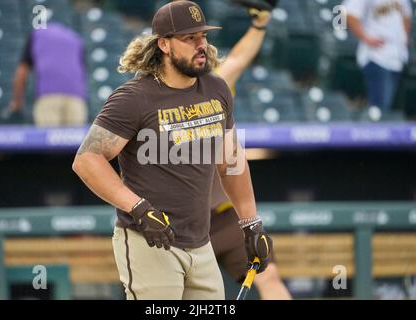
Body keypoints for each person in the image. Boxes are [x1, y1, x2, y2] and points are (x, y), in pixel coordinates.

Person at [72, 0, 273, 300]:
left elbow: (231, 160)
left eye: (203, 36)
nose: (201, 44)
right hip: (150, 243)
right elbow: (87, 160)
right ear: (164, 45)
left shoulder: (216, 89)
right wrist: (137, 208)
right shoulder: (134, 98)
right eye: (189, 38)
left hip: (201, 244)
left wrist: (250, 223)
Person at [209, 5, 292, 300]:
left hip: (226, 216)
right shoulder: (151, 102)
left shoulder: (212, 87)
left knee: (270, 279)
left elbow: (239, 59)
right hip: (181, 223)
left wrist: (259, 25)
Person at [9, 22, 88, 126]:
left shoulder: (37, 35)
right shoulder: (76, 38)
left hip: (49, 98)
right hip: (77, 100)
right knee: (76, 141)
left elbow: (21, 73)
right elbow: (82, 71)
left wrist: (17, 103)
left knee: (47, 140)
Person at [344, 0, 412, 115]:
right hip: (376, 56)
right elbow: (348, 13)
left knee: (390, 110)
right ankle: (371, 132)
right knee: (379, 107)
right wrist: (366, 37)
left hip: (397, 57)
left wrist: (404, 37)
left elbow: (407, 16)